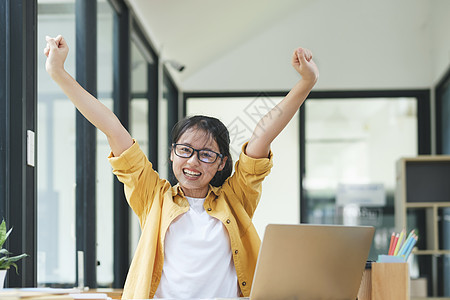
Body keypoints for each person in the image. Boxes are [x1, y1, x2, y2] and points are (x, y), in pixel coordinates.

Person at [44, 35, 319, 299]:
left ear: (222, 162)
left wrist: (307, 82)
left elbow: (262, 135)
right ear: (172, 154)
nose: (193, 162)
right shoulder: (153, 197)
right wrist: (58, 72)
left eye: (206, 154)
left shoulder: (237, 198)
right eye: (185, 150)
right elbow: (111, 126)